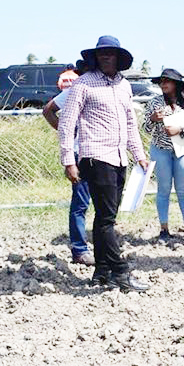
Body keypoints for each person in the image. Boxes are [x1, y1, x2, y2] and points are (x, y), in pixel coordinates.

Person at [58, 35, 150, 292]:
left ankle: (101, 271)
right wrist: (68, 160)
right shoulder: (84, 84)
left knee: (103, 217)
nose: (106, 57)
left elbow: (130, 123)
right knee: (108, 219)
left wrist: (138, 154)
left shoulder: (124, 86)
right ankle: (121, 272)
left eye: (110, 53)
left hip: (119, 157)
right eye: (101, 54)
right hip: (95, 156)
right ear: (95, 58)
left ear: (119, 58)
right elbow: (66, 123)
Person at [143, 69, 184, 245]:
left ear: (176, 83)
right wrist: (153, 119)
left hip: (183, 150)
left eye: (167, 81)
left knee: (183, 190)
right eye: (161, 81)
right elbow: (145, 129)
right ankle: (164, 229)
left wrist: (181, 130)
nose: (163, 84)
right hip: (161, 149)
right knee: (163, 189)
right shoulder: (154, 103)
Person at [43, 60, 93, 265]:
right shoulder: (74, 91)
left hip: (103, 154)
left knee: (104, 204)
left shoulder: (110, 88)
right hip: (80, 153)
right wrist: (66, 130)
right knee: (80, 203)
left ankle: (100, 246)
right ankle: (80, 249)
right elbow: (48, 110)